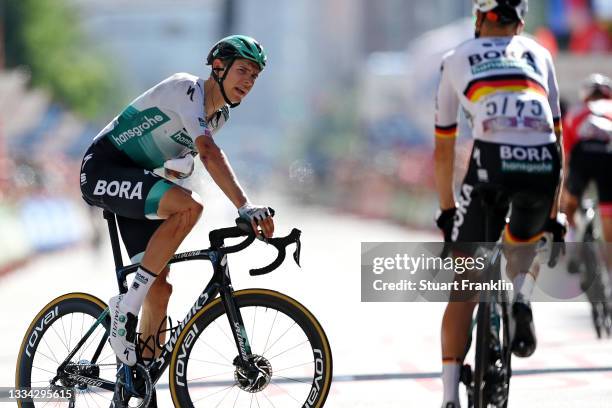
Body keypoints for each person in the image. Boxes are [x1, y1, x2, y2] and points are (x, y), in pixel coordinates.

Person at [79, 35, 275, 371]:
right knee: (190, 207)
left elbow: (181, 161)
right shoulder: (186, 89)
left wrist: (180, 166)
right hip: (104, 169)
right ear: (218, 68)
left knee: (161, 289)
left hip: (137, 179)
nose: (248, 81)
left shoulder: (219, 117)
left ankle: (138, 379)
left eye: (254, 76)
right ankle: (126, 307)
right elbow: (210, 153)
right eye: (242, 70)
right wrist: (244, 205)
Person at [433, 1, 565, 407]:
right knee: (525, 239)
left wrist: (448, 211)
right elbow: (557, 140)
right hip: (543, 165)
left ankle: (451, 395)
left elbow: (444, 147)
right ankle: (522, 296)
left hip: (492, 161)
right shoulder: (540, 53)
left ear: (479, 18)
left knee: (466, 285)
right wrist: (555, 216)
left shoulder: (457, 57)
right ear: (520, 22)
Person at [562, 73, 612, 242]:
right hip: (608, 156)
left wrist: (564, 186)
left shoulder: (576, 111)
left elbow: (566, 153)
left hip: (582, 156)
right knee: (608, 213)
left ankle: (571, 238)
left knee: (570, 201)